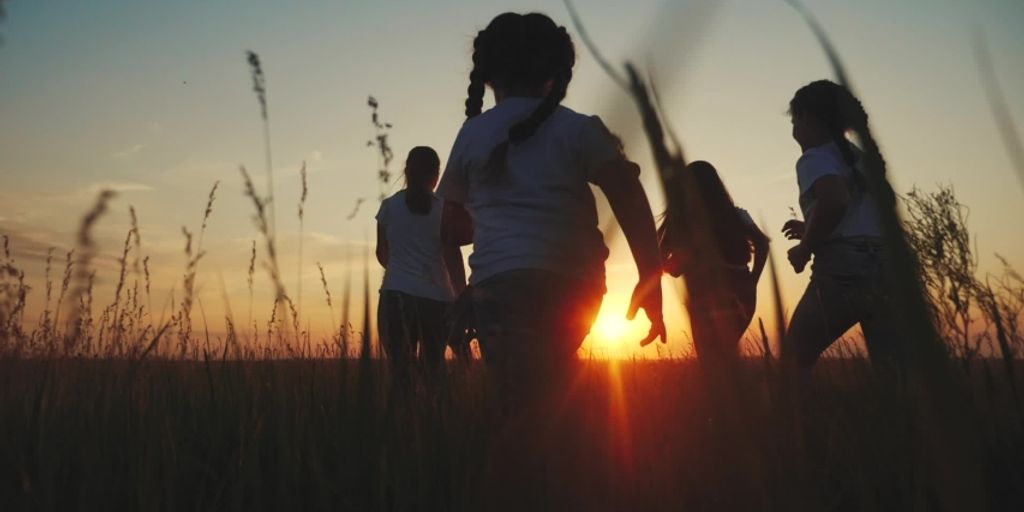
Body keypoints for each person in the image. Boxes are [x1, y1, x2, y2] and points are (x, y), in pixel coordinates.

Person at [437, 12, 665, 405]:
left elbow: (449, 226)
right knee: (551, 386)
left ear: (488, 74)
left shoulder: (473, 133)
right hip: (575, 282)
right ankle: (572, 449)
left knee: (518, 402)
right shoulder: (580, 128)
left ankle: (544, 455)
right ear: (556, 73)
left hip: (500, 284)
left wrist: (465, 289)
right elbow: (628, 196)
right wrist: (650, 278)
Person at [781, 80, 898, 369]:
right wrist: (811, 225)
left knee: (792, 361)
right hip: (885, 266)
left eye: (794, 119)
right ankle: (897, 415)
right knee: (893, 371)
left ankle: (798, 416)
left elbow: (834, 201)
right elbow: (875, 209)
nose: (793, 128)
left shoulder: (814, 157)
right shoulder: (859, 158)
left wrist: (805, 248)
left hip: (843, 271)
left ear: (807, 117)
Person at [657, 161, 769, 360]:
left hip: (707, 293)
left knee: (712, 361)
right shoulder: (736, 215)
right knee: (722, 358)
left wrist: (679, 263)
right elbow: (762, 243)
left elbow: (661, 259)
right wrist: (752, 281)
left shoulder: (683, 220)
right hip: (742, 291)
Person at [375, 146, 463, 388]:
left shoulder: (388, 207)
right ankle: (438, 421)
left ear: (406, 171)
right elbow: (451, 254)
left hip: (397, 296)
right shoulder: (445, 209)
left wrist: (402, 270)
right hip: (437, 299)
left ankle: (405, 423)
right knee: (435, 370)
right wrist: (459, 298)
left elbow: (382, 254)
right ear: (435, 175)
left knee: (400, 373)